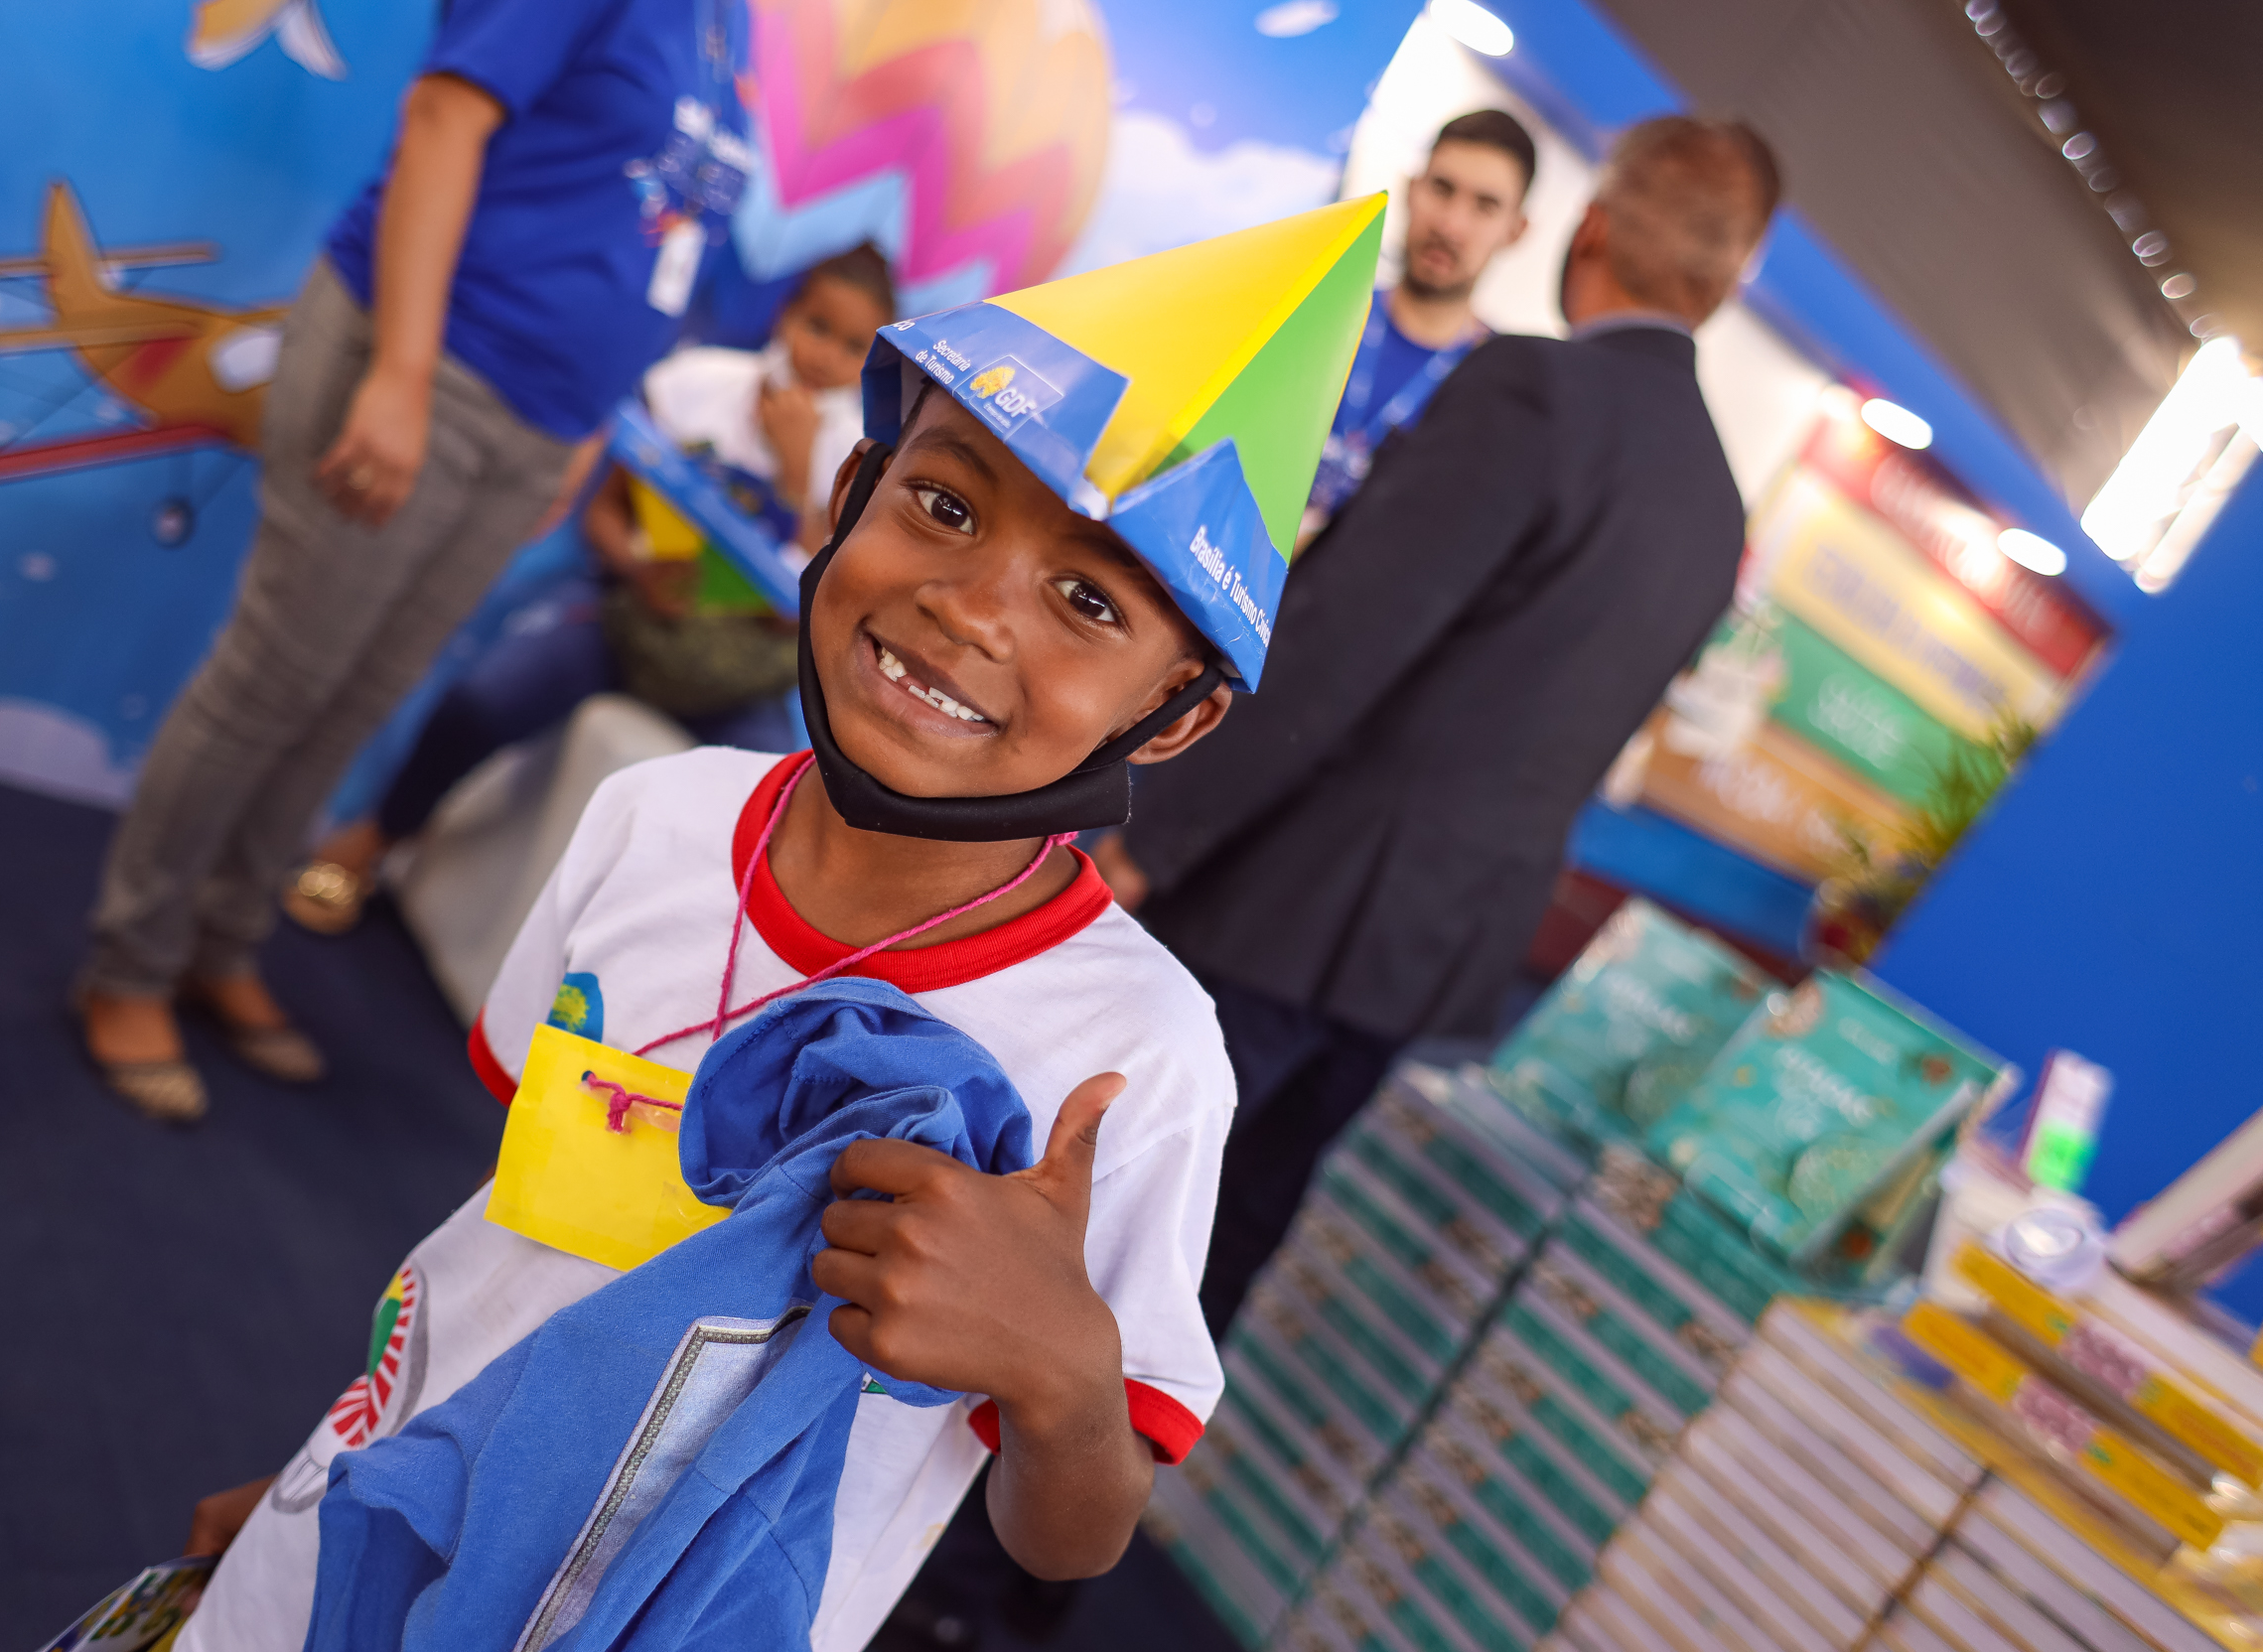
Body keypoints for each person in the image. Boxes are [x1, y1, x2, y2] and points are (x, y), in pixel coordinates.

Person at [168, 198, 1383, 1652]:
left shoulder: (1136, 1057)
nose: (973, 610)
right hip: (361, 1528)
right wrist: (338, 1470)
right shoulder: (656, 818)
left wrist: (1059, 1377)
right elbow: (505, 1238)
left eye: (1085, 600)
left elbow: (1070, 1530)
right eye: (943, 504)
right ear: (852, 489)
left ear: (1174, 716)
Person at [1097, 115, 1783, 1335]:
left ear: (1591, 229)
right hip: (1429, 955)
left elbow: (1342, 646)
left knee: (1100, 1201)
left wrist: (1155, 830)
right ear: (1726, 286)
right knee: (1219, 1243)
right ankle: (1071, 1508)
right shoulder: (1716, 510)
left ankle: (955, 1512)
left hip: (1281, 900)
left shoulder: (1533, 388)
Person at [73, 0, 757, 1121]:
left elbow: (652, 231)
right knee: (274, 681)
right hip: (432, 362)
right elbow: (443, 118)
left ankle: (222, 939)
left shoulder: (734, 28)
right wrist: (396, 371)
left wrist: (588, 420)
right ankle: (129, 964)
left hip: (540, 416)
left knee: (356, 697)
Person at [282, 245, 896, 936]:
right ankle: (375, 837)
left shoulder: (860, 460)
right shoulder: (698, 386)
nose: (825, 356)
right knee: (481, 702)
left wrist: (795, 474)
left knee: (769, 817)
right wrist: (638, 572)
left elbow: (812, 619)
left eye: (851, 346)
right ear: (786, 315)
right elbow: (605, 515)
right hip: (628, 623)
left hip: (735, 678)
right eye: (817, 326)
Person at [1298, 107, 1534, 549]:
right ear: (1411, 189)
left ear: (1515, 231)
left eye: (1485, 206)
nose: (1451, 225)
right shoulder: (1318, 315)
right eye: (1442, 189)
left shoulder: (1500, 395)